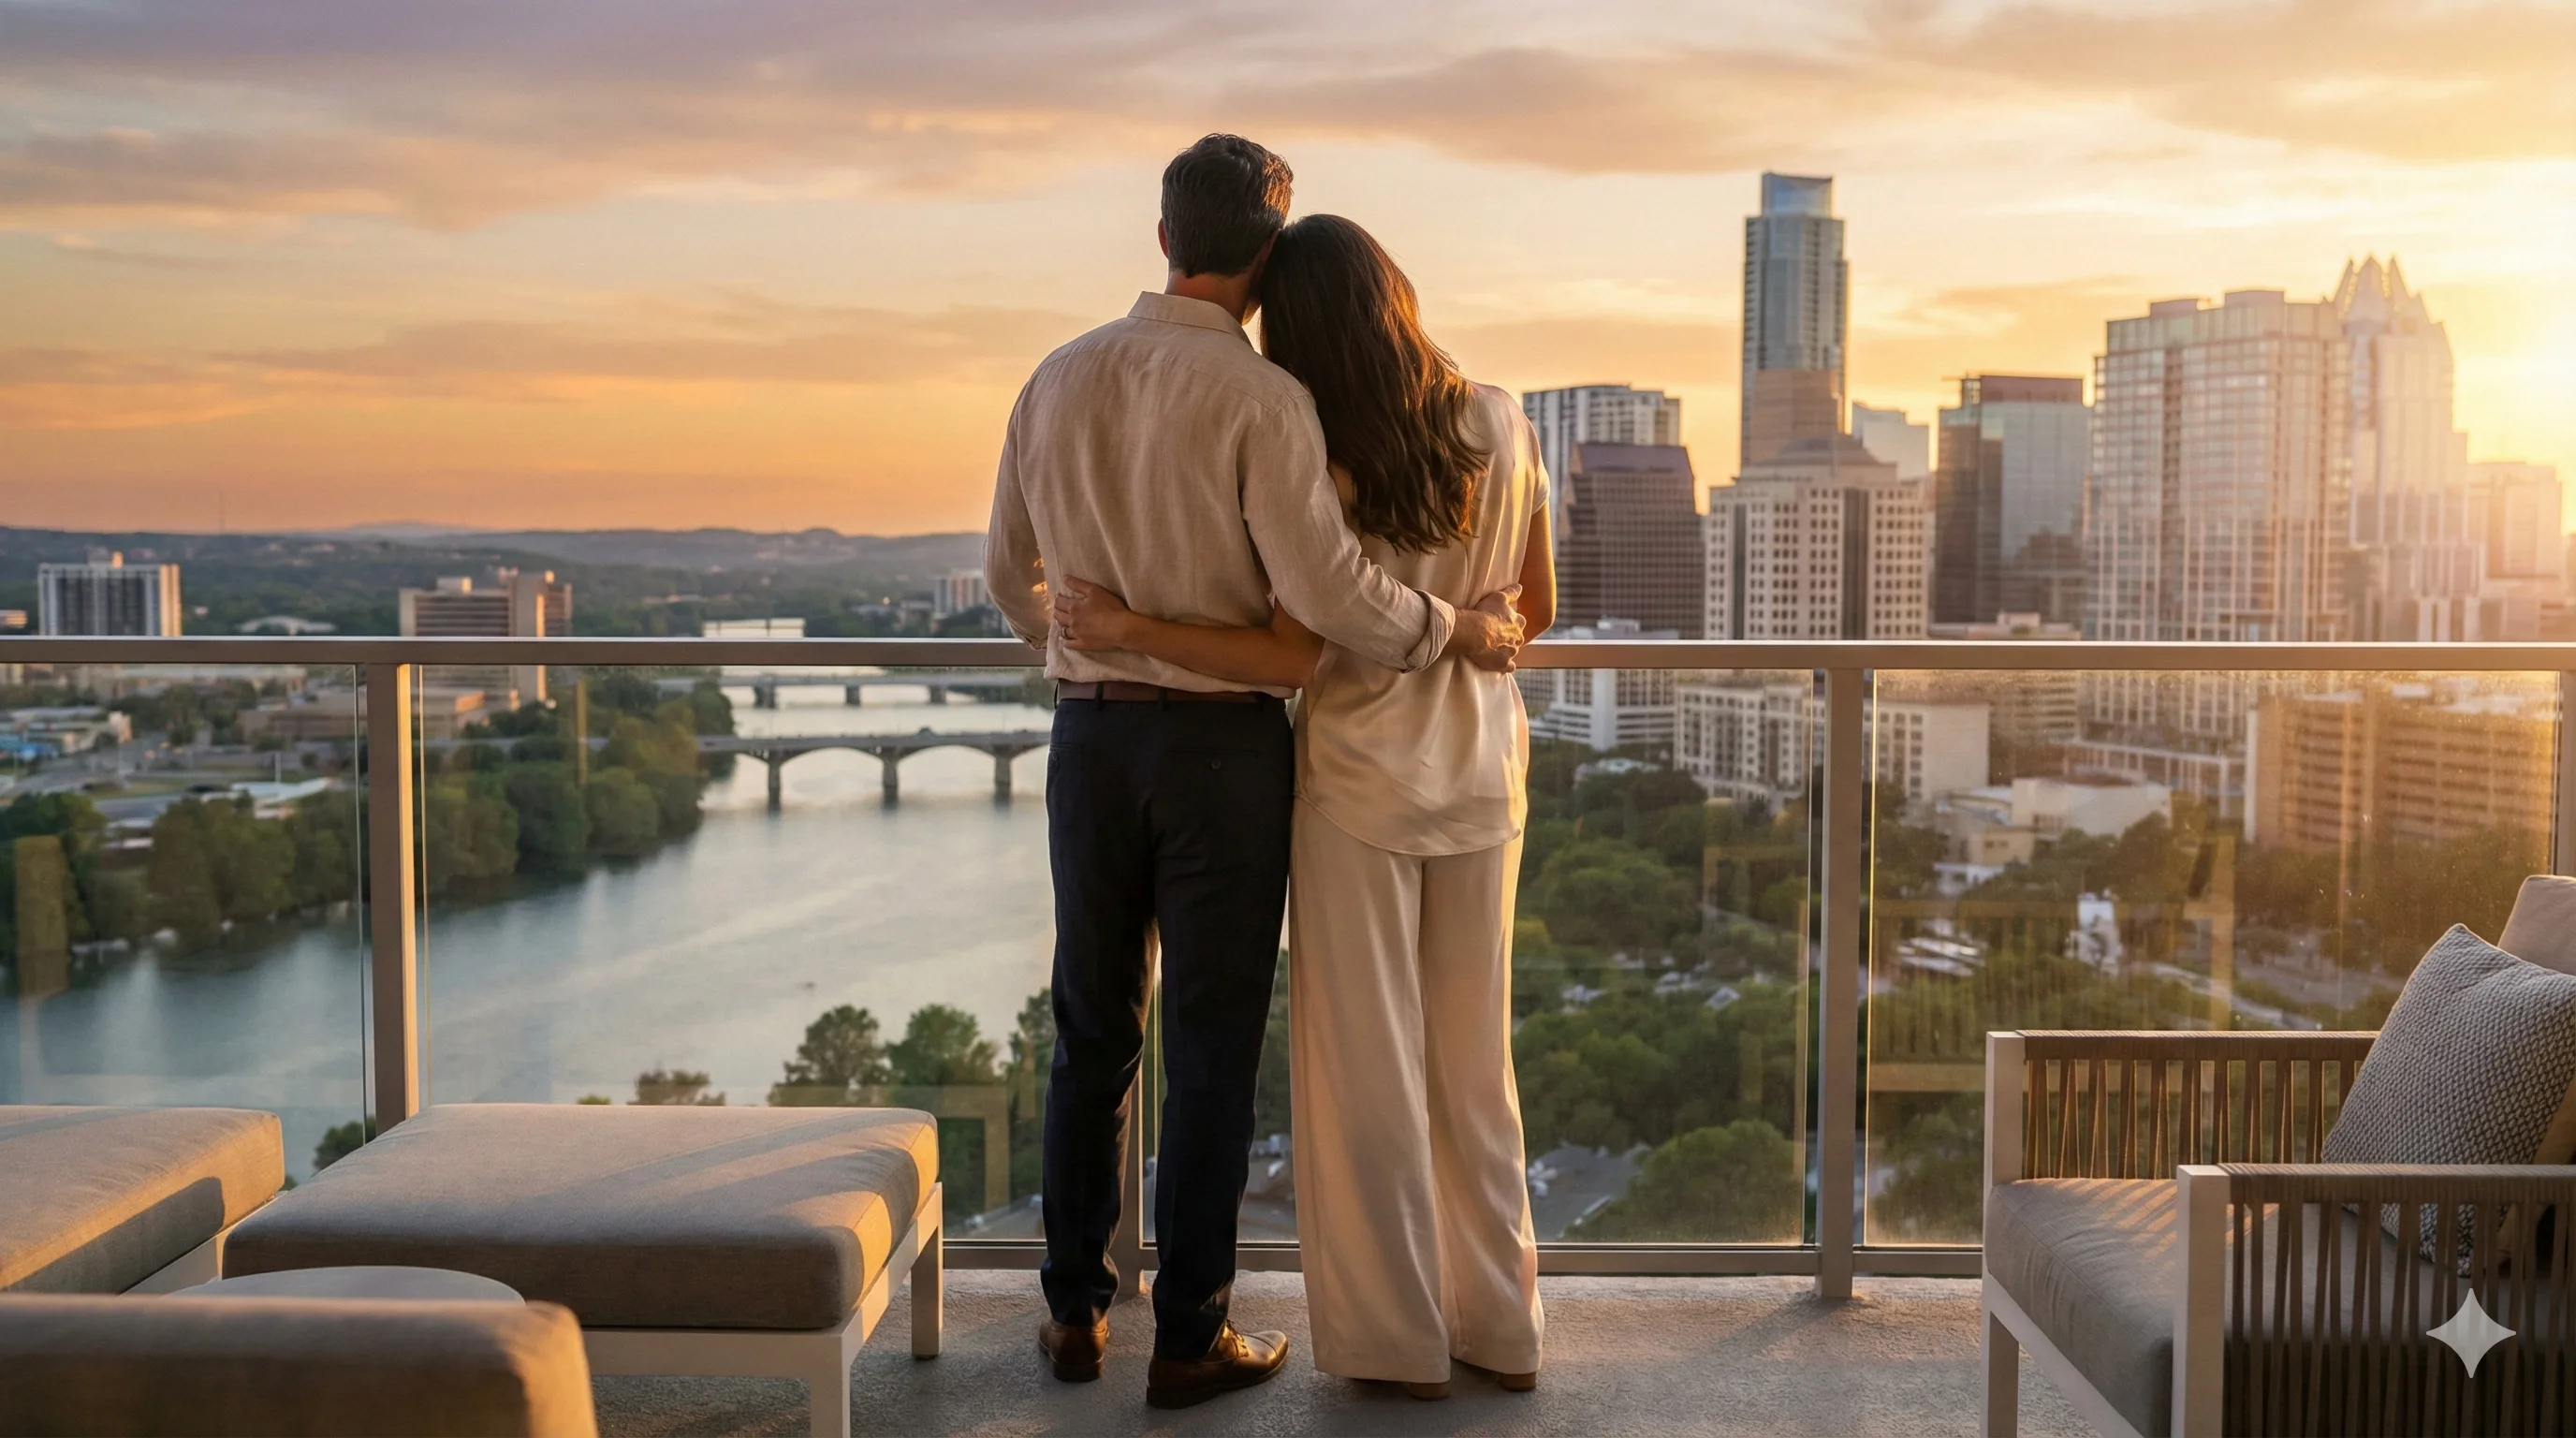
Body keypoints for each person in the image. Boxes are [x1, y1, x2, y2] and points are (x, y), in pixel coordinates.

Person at [983, 135, 1524, 1412]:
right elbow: (1328, 596)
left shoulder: (1054, 377)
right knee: (1211, 1045)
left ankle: (1073, 1311)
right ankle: (1190, 1335)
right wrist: (1456, 630)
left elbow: (1012, 574)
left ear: (1163, 237)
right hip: (1224, 751)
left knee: (1090, 1030)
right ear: (1267, 255)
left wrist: (1086, 646)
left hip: (1090, 739)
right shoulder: (1268, 402)